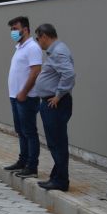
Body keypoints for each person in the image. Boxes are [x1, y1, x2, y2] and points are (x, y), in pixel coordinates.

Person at [34, 24, 75, 192]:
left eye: (38, 38)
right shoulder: (56, 50)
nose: (38, 42)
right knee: (55, 142)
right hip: (52, 103)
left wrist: (58, 95)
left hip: (56, 104)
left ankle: (61, 181)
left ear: (44, 36)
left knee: (57, 142)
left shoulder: (58, 51)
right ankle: (56, 177)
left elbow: (69, 74)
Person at [4, 16, 43, 179]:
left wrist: (24, 92)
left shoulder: (32, 47)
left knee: (29, 132)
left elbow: (35, 71)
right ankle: (23, 161)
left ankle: (32, 166)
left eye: (15, 29)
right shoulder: (20, 47)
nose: (13, 32)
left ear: (25, 29)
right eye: (11, 29)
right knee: (21, 131)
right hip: (16, 97)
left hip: (26, 98)